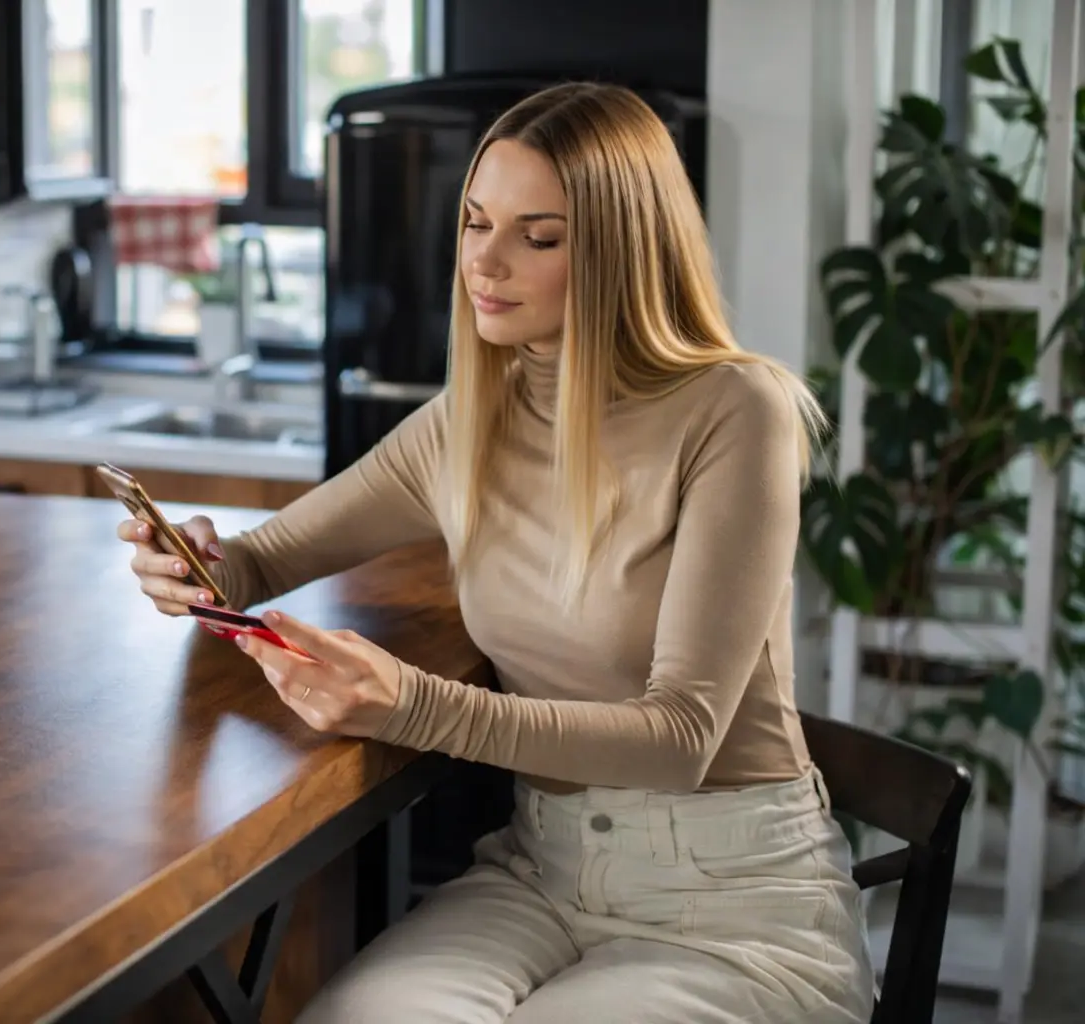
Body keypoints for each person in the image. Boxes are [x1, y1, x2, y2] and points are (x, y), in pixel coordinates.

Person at [117, 81, 876, 1023]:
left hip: (730, 901)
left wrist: (413, 705)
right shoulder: (466, 421)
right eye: (476, 222)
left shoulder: (735, 412)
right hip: (543, 867)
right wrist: (191, 567)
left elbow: (683, 737)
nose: (486, 259)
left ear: (622, 251)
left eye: (538, 236)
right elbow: (261, 562)